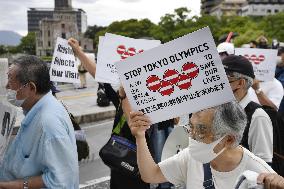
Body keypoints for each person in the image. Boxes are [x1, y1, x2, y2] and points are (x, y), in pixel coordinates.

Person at [129, 101, 274, 189]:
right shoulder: (191, 157)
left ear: (228, 139)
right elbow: (151, 175)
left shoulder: (260, 176)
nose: (191, 136)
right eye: (190, 127)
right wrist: (140, 136)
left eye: (200, 131)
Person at [68, 38, 150, 189]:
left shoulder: (154, 103)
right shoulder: (120, 93)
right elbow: (98, 73)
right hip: (118, 161)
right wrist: (78, 51)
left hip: (141, 166)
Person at [0, 55, 79, 188]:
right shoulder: (36, 110)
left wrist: (13, 185)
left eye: (11, 80)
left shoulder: (48, 124)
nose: (7, 86)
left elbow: (60, 181)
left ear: (31, 87)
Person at [223, 55, 273, 164]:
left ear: (241, 83)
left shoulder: (258, 116)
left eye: (224, 78)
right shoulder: (217, 108)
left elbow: (263, 164)